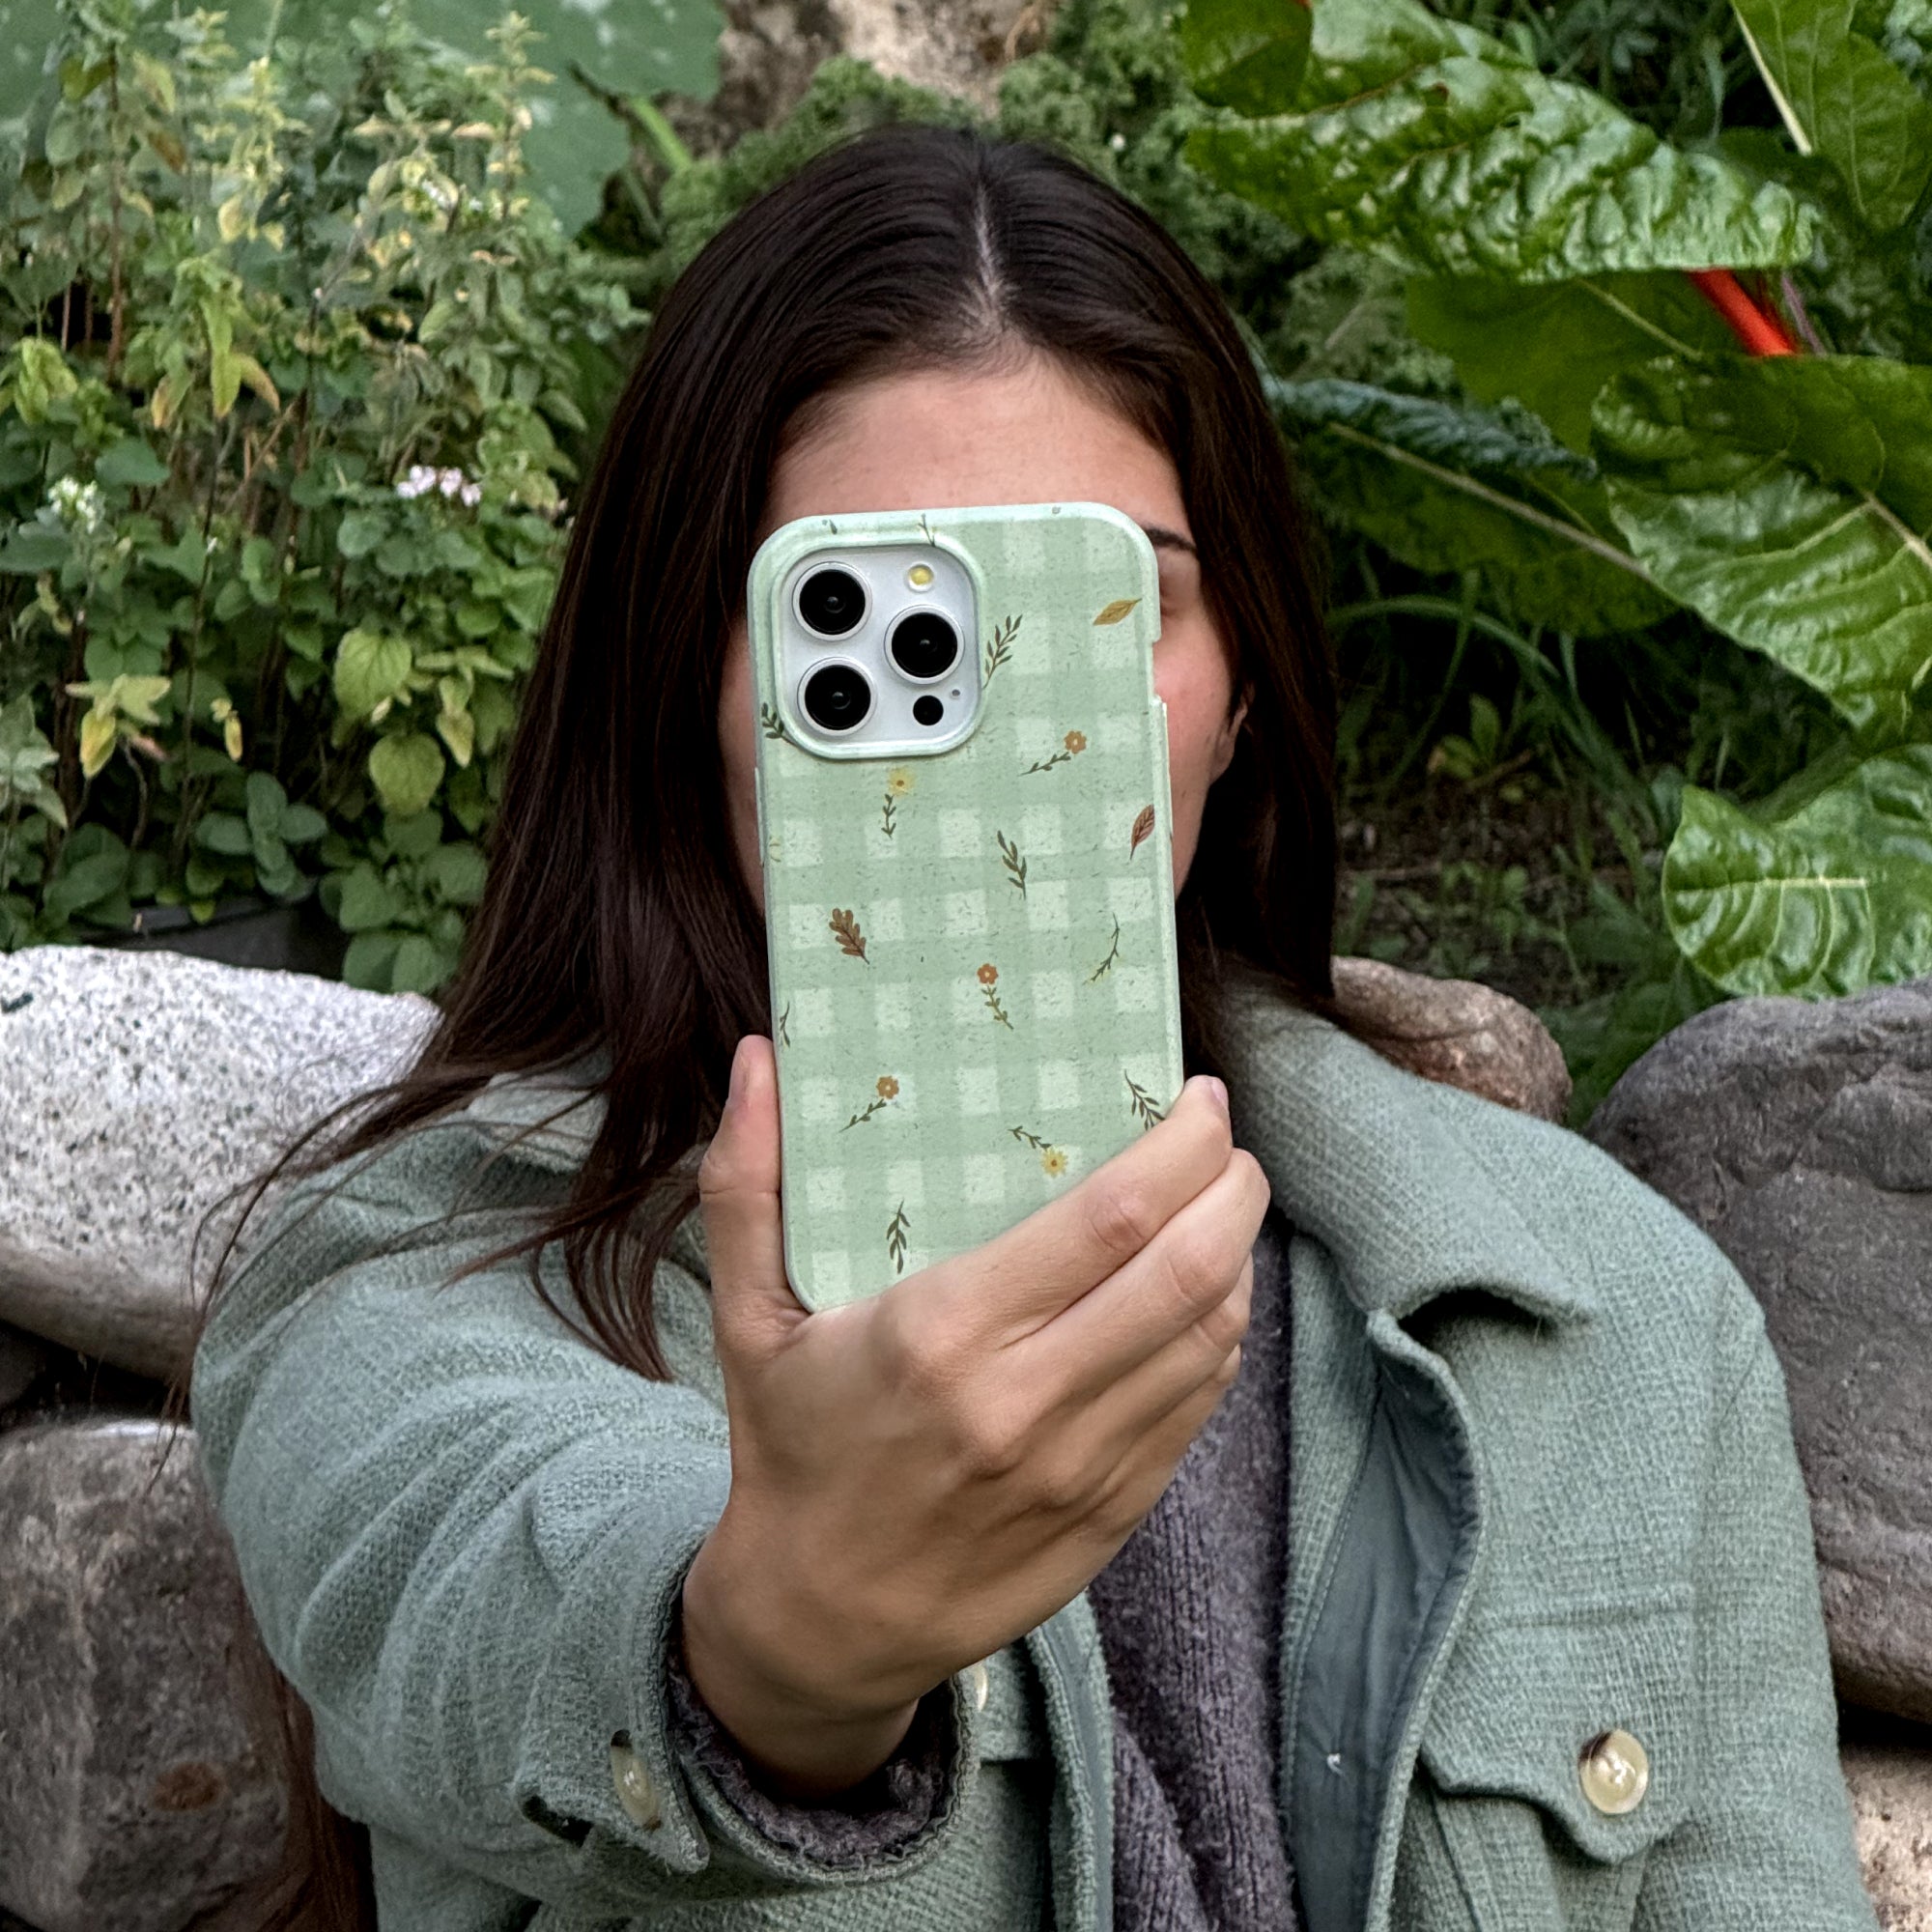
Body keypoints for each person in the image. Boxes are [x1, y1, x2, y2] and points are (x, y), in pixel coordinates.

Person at [184, 124, 1877, 1932]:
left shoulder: (1627, 1322)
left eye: (1100, 603)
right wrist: (772, 1648)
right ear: (693, 686)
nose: (1002, 718)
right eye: (864, 613)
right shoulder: (423, 1273)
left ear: (1238, 694)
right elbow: (466, 1563)